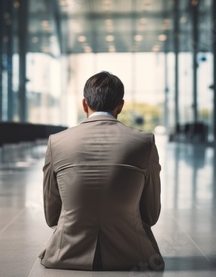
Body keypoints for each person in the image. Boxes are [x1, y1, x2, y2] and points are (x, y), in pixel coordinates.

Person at [39, 71, 164, 271]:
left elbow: (51, 215)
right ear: (120, 106)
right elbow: (150, 214)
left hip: (65, 254)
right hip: (133, 255)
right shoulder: (144, 142)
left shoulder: (57, 142)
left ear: (84, 104)